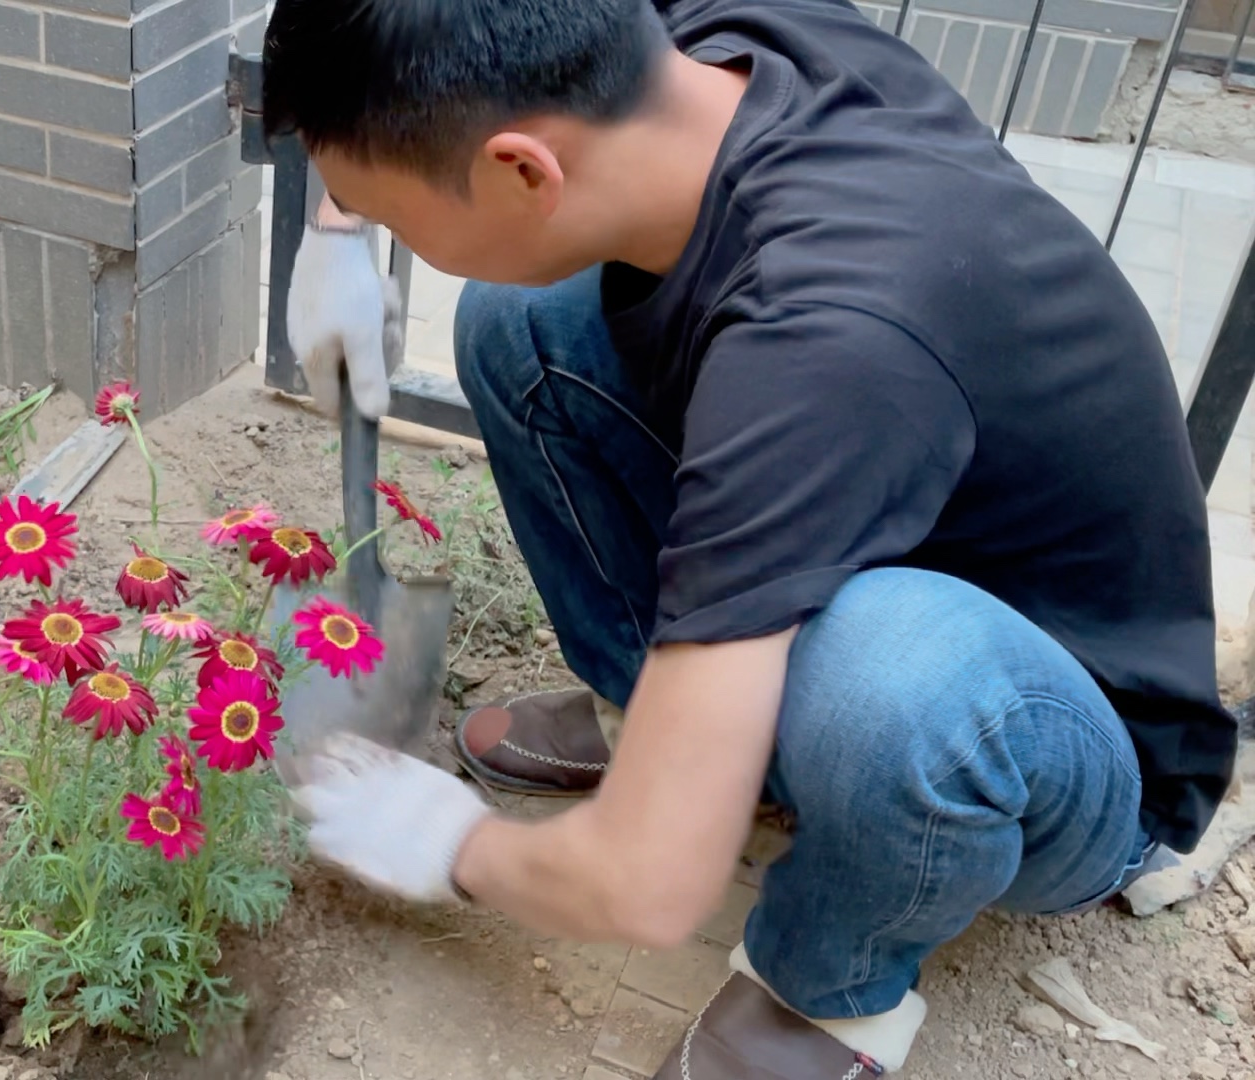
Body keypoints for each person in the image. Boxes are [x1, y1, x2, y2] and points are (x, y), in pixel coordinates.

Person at [260, 0, 1237, 1073]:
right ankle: (669, 735)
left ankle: (830, 986)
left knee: (889, 673)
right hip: (883, 510)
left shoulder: (822, 348)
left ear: (524, 172)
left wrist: (450, 846)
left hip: (1070, 739)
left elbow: (649, 888)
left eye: (392, 217)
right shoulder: (679, 40)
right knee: (520, 326)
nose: (386, 233)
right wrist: (335, 228)